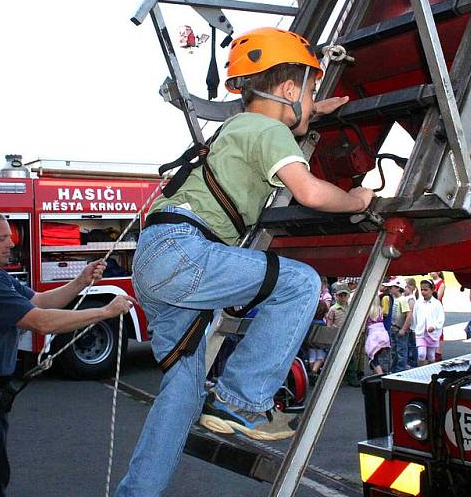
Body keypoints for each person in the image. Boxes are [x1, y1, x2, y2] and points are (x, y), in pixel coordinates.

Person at [115, 28, 374, 497]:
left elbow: (290, 112)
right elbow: (311, 192)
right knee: (298, 285)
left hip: (157, 257)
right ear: (289, 91)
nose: (312, 101)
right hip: (188, 252)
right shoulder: (271, 131)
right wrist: (355, 199)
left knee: (182, 393)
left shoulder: (240, 127)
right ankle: (241, 401)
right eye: (309, 91)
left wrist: (316, 109)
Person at [0, 212, 133, 497]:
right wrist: (105, 311)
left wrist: (80, 281)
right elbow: (41, 321)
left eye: (9, 238)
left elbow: (39, 300)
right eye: (1, 238)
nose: (10, 244)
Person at [413, 279, 445, 365]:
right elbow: (415, 317)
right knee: (421, 354)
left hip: (432, 334)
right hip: (421, 333)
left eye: (425, 290)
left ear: (432, 290)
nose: (423, 292)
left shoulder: (437, 303)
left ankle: (431, 371)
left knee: (431, 356)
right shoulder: (418, 303)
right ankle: (420, 370)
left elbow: (441, 318)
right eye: (422, 290)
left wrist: (434, 326)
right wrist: (415, 328)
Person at [389, 279, 415, 372]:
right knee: (394, 352)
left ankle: (400, 371)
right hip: (393, 329)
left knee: (401, 352)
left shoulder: (402, 300)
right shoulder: (394, 299)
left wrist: (403, 329)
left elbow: (409, 315)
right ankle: (394, 370)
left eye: (391, 287)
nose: (389, 289)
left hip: (399, 329)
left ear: (397, 288)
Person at [364, 296, 391, 375]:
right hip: (383, 335)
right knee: (380, 357)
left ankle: (380, 375)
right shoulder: (380, 309)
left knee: (373, 358)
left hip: (374, 337)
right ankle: (379, 374)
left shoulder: (367, 311)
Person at [307, 299, 329, 385]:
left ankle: (313, 374)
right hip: (319, 341)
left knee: (312, 356)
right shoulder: (322, 324)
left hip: (310, 340)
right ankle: (314, 372)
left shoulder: (309, 323)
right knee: (320, 357)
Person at [429, 272, 446, 361]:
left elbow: (438, 297)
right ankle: (431, 350)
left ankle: (438, 352)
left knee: (438, 329)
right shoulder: (430, 282)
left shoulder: (441, 283)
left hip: (437, 308)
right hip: (428, 307)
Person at [404, 278, 419, 368]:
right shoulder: (405, 297)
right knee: (408, 345)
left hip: (411, 327)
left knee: (411, 346)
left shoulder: (411, 299)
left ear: (410, 287)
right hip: (409, 327)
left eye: (405, 286)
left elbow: (410, 314)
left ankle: (412, 363)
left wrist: (406, 326)